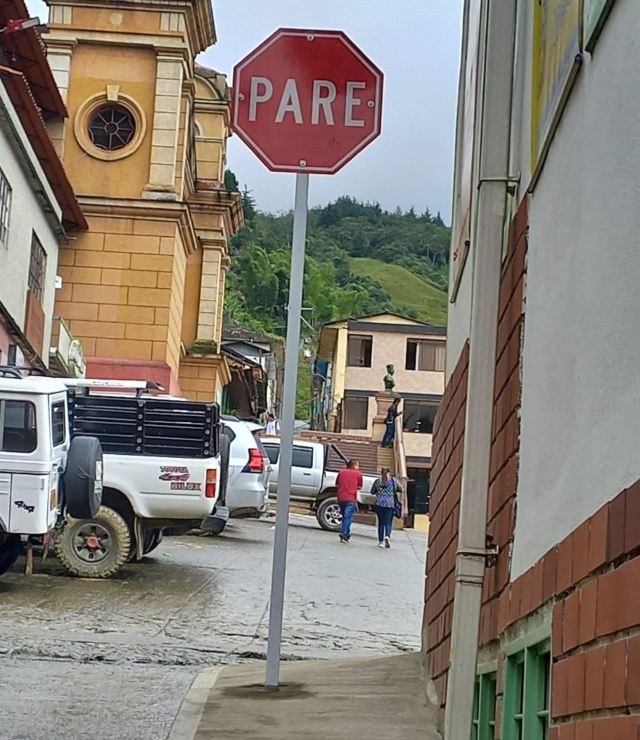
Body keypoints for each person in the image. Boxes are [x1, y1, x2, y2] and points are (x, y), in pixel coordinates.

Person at [371, 467, 401, 549]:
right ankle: (387, 536)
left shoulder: (378, 481)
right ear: (389, 473)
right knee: (388, 522)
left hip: (379, 504)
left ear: (381, 473)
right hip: (390, 504)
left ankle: (381, 542)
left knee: (381, 523)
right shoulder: (393, 481)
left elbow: (372, 491)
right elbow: (401, 489)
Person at [336, 459, 363, 544]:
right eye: (358, 465)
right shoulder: (358, 474)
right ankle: (343, 534)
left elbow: (336, 484)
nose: (358, 467)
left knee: (345, 516)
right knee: (348, 517)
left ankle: (346, 534)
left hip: (341, 497)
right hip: (351, 498)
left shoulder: (341, 472)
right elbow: (359, 486)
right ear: (354, 465)